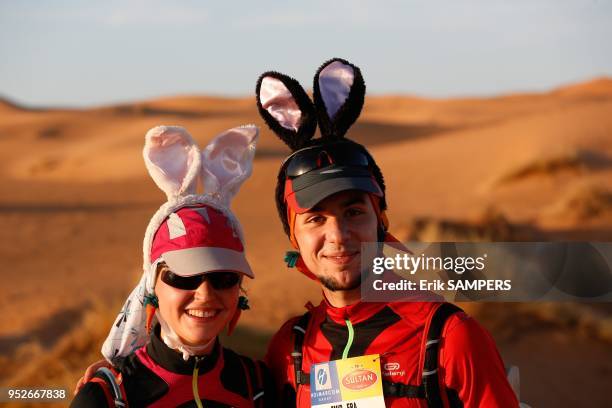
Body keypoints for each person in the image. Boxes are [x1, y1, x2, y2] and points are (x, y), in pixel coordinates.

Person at [255, 58, 520, 407]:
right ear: (293, 236)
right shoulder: (289, 348)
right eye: (315, 218)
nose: (338, 234)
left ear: (381, 220)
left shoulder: (449, 338)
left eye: (353, 212)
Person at [72, 124, 276, 407]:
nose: (205, 293)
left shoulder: (261, 384)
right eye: (182, 277)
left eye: (225, 277)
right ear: (151, 282)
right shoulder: (108, 397)